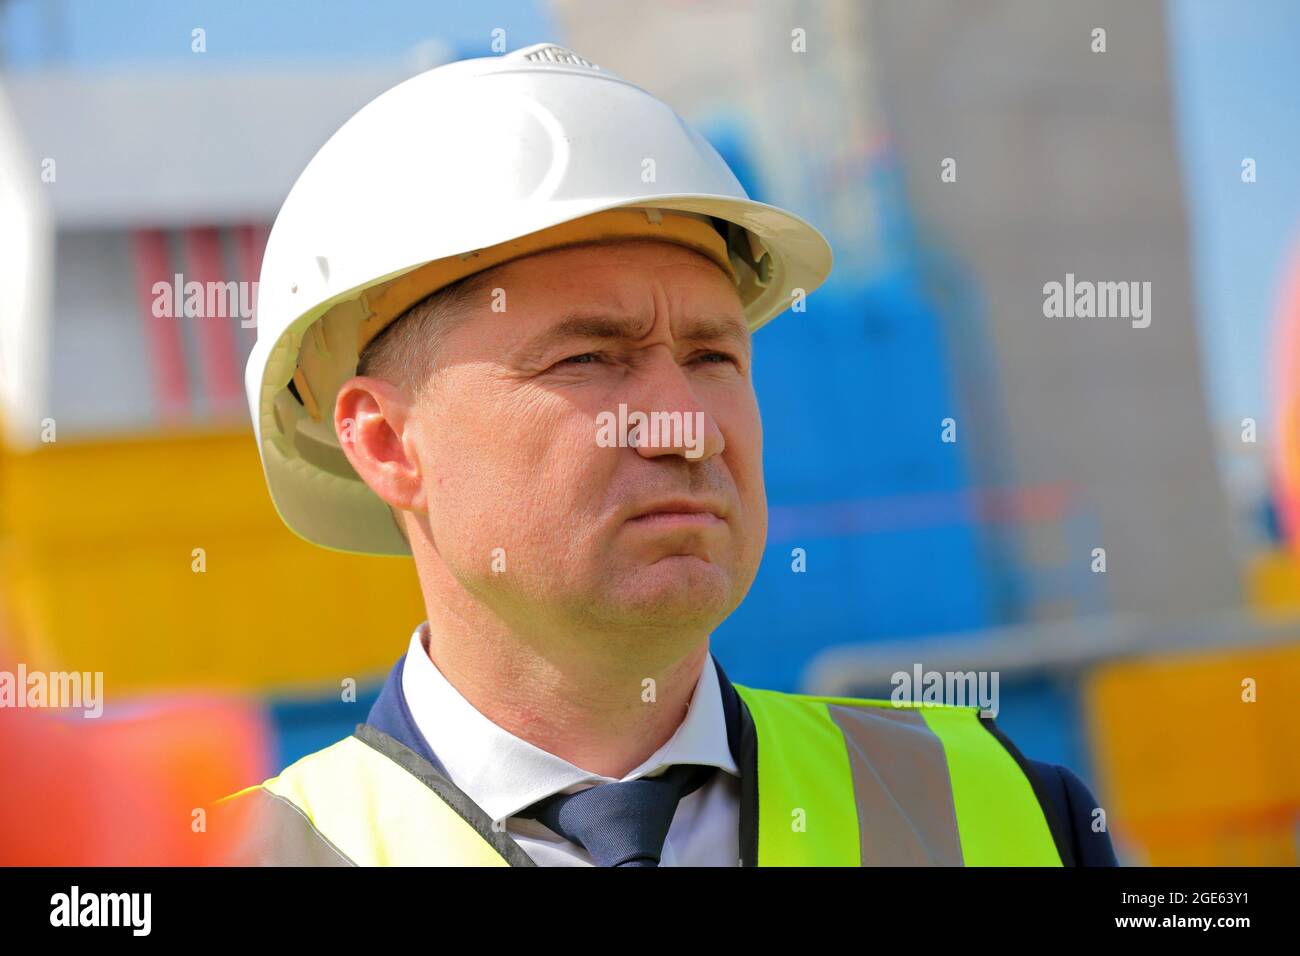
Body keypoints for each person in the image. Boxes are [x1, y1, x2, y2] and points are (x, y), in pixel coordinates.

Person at [214, 43, 1117, 867]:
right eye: (589, 358)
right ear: (386, 443)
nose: (685, 426)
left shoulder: (1009, 812)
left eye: (711, 355)